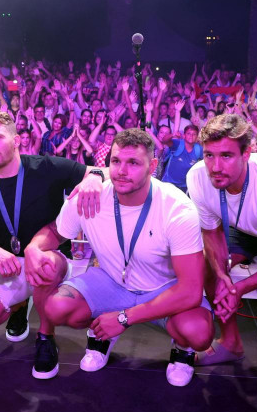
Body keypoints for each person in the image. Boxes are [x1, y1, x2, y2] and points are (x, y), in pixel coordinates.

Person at [25, 128, 213, 387]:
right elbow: (56, 232)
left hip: (162, 288)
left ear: (153, 166)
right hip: (112, 281)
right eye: (116, 161)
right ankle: (101, 332)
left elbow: (191, 291)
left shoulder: (177, 209)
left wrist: (124, 318)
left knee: (199, 333)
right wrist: (32, 248)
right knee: (57, 308)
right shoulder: (89, 196)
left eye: (133, 162)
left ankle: (182, 349)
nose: (122, 171)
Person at [0, 111, 106, 352]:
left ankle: (45, 338)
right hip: (10, 262)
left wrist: (96, 176)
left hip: (50, 256)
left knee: (42, 264)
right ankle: (19, 305)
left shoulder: (45, 167)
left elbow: (99, 171)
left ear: (17, 140)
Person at [186, 114, 257, 365]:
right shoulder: (197, 177)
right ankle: (231, 342)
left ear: (246, 154)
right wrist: (222, 273)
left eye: (226, 156)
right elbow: (211, 231)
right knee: (206, 264)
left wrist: (241, 288)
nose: (215, 167)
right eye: (209, 155)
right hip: (245, 230)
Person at [161, 124, 202, 193]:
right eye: (188, 133)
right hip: (168, 182)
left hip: (185, 186)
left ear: (197, 137)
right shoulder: (178, 143)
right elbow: (164, 140)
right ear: (184, 135)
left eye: (194, 134)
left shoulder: (199, 149)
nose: (191, 136)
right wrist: (173, 134)